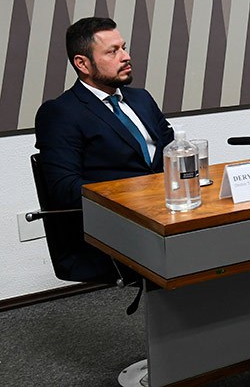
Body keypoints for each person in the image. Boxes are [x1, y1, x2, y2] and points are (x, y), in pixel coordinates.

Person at [34, 17, 174, 283]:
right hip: (116, 227)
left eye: (123, 47)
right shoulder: (61, 113)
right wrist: (142, 194)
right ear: (82, 63)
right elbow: (65, 188)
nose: (126, 57)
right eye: (113, 51)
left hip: (166, 214)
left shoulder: (141, 99)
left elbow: (172, 152)